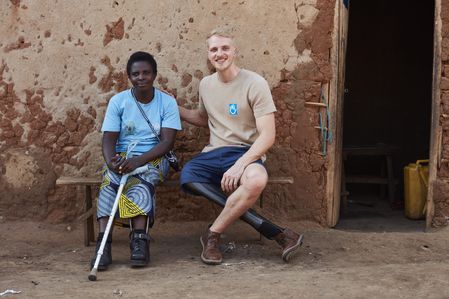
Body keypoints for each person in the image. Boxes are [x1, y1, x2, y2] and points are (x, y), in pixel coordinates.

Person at [179, 29, 304, 265]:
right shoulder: (206, 85)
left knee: (256, 179)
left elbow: (267, 136)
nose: (220, 53)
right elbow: (205, 118)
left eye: (225, 48)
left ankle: (213, 235)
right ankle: (276, 232)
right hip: (214, 153)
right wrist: (175, 109)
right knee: (187, 175)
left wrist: (240, 164)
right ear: (208, 55)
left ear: (235, 51)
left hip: (245, 153)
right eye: (214, 49)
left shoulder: (255, 83)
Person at [90, 51, 181, 270]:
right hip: (122, 159)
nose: (141, 77)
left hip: (153, 158)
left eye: (146, 73)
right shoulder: (118, 101)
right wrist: (114, 163)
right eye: (136, 73)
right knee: (108, 182)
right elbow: (108, 139)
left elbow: (167, 142)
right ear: (129, 77)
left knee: (141, 181)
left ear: (154, 74)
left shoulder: (167, 103)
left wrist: (138, 162)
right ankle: (104, 244)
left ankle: (139, 240)